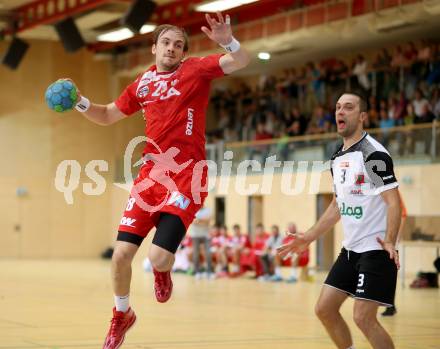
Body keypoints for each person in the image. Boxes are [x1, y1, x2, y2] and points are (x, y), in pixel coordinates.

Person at [66, 12, 250, 349]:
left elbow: (240, 60)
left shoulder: (195, 70)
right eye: (166, 43)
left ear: (183, 52)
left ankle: (163, 270)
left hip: (188, 176)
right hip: (151, 177)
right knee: (121, 255)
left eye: (178, 45)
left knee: (158, 258)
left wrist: (228, 40)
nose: (172, 48)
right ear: (154, 48)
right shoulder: (142, 84)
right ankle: (122, 314)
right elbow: (107, 114)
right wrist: (79, 102)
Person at [278, 92, 401, 349]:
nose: (340, 112)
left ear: (363, 116)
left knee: (363, 318)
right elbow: (337, 205)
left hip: (375, 249)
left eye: (348, 107)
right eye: (337, 107)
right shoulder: (337, 157)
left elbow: (393, 202)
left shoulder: (373, 154)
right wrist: (308, 237)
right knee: (324, 309)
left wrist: (389, 241)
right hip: (351, 250)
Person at [381, 191, 407, 316]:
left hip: (390, 241)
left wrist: (396, 237)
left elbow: (402, 214)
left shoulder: (391, 191)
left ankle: (390, 305)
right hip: (379, 240)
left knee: (388, 274)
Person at [189, 205, 213, 279]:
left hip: (206, 235)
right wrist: (202, 221)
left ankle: (209, 271)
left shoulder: (208, 210)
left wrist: (198, 220)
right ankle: (197, 272)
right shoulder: (193, 210)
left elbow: (208, 221)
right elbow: (192, 221)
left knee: (208, 253)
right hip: (195, 235)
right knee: (196, 254)